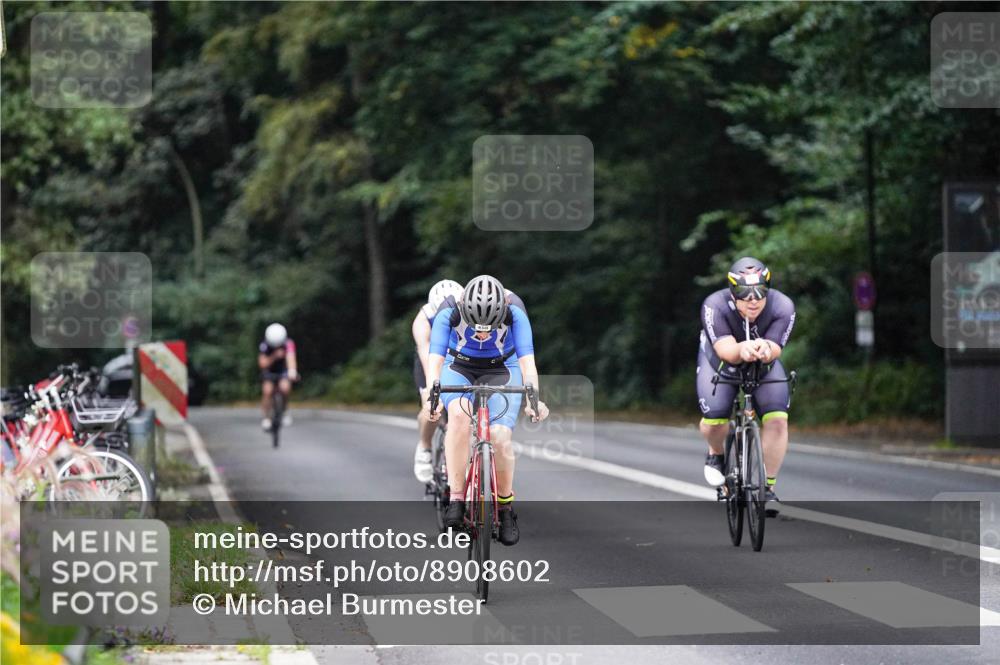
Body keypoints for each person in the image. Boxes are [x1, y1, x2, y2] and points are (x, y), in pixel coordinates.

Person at [426, 274, 549, 546]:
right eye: (476, 327)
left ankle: (505, 508)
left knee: (500, 436)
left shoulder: (514, 310)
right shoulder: (450, 309)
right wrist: (432, 398)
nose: (482, 333)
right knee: (458, 417)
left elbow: (528, 361)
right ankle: (457, 497)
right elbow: (435, 359)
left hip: (503, 368)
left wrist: (533, 399)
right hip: (458, 366)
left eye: (488, 328)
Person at [697, 257, 795, 514]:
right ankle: (716, 453)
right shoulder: (714, 305)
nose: (753, 300)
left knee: (777, 419)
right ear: (732, 292)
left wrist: (766, 349)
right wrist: (742, 348)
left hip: (763, 365)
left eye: (760, 291)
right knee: (716, 418)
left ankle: (768, 488)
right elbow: (726, 351)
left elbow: (775, 348)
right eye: (744, 293)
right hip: (720, 362)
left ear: (768, 288)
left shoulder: (783, 305)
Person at [412, 279, 465, 483]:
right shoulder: (423, 320)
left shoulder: (468, 311)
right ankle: (424, 445)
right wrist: (431, 390)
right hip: (431, 357)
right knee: (431, 407)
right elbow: (427, 354)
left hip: (456, 357)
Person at [258, 323, 298, 431]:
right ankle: (266, 418)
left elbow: (291, 358)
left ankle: (284, 410)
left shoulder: (288, 344)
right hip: (270, 370)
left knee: (285, 388)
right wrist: (274, 356)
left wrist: (292, 371)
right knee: (267, 391)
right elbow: (262, 364)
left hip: (283, 370)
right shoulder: (265, 345)